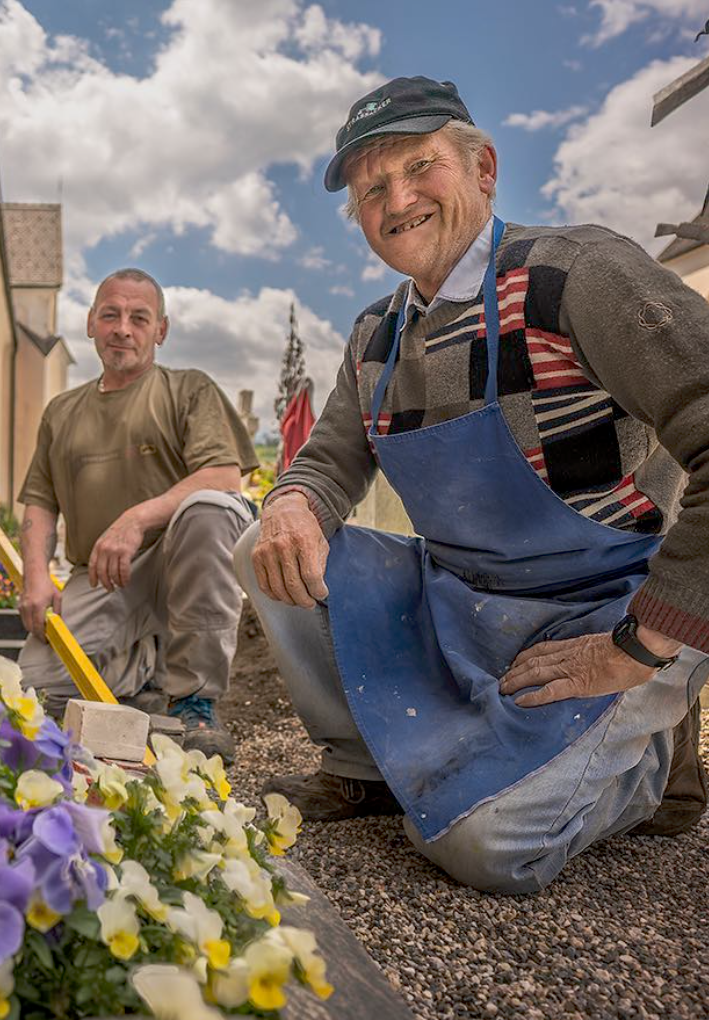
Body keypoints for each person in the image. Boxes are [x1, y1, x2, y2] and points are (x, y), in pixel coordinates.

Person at [235, 76, 709, 893]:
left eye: (422, 167)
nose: (398, 198)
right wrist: (292, 503)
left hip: (599, 619)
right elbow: (328, 461)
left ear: (484, 167)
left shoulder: (576, 275)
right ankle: (364, 766)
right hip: (463, 605)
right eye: (373, 187)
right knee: (265, 540)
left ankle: (654, 761)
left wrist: (643, 645)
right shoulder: (375, 335)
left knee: (485, 848)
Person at [17, 268, 258, 761]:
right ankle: (145, 673)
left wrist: (135, 520)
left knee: (210, 508)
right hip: (102, 578)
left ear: (160, 331)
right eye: (110, 315)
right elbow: (40, 503)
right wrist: (36, 579)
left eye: (138, 317)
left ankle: (196, 700)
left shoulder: (189, 390)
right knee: (36, 690)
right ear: (90, 323)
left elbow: (224, 477)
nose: (123, 328)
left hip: (177, 568)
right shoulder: (61, 412)